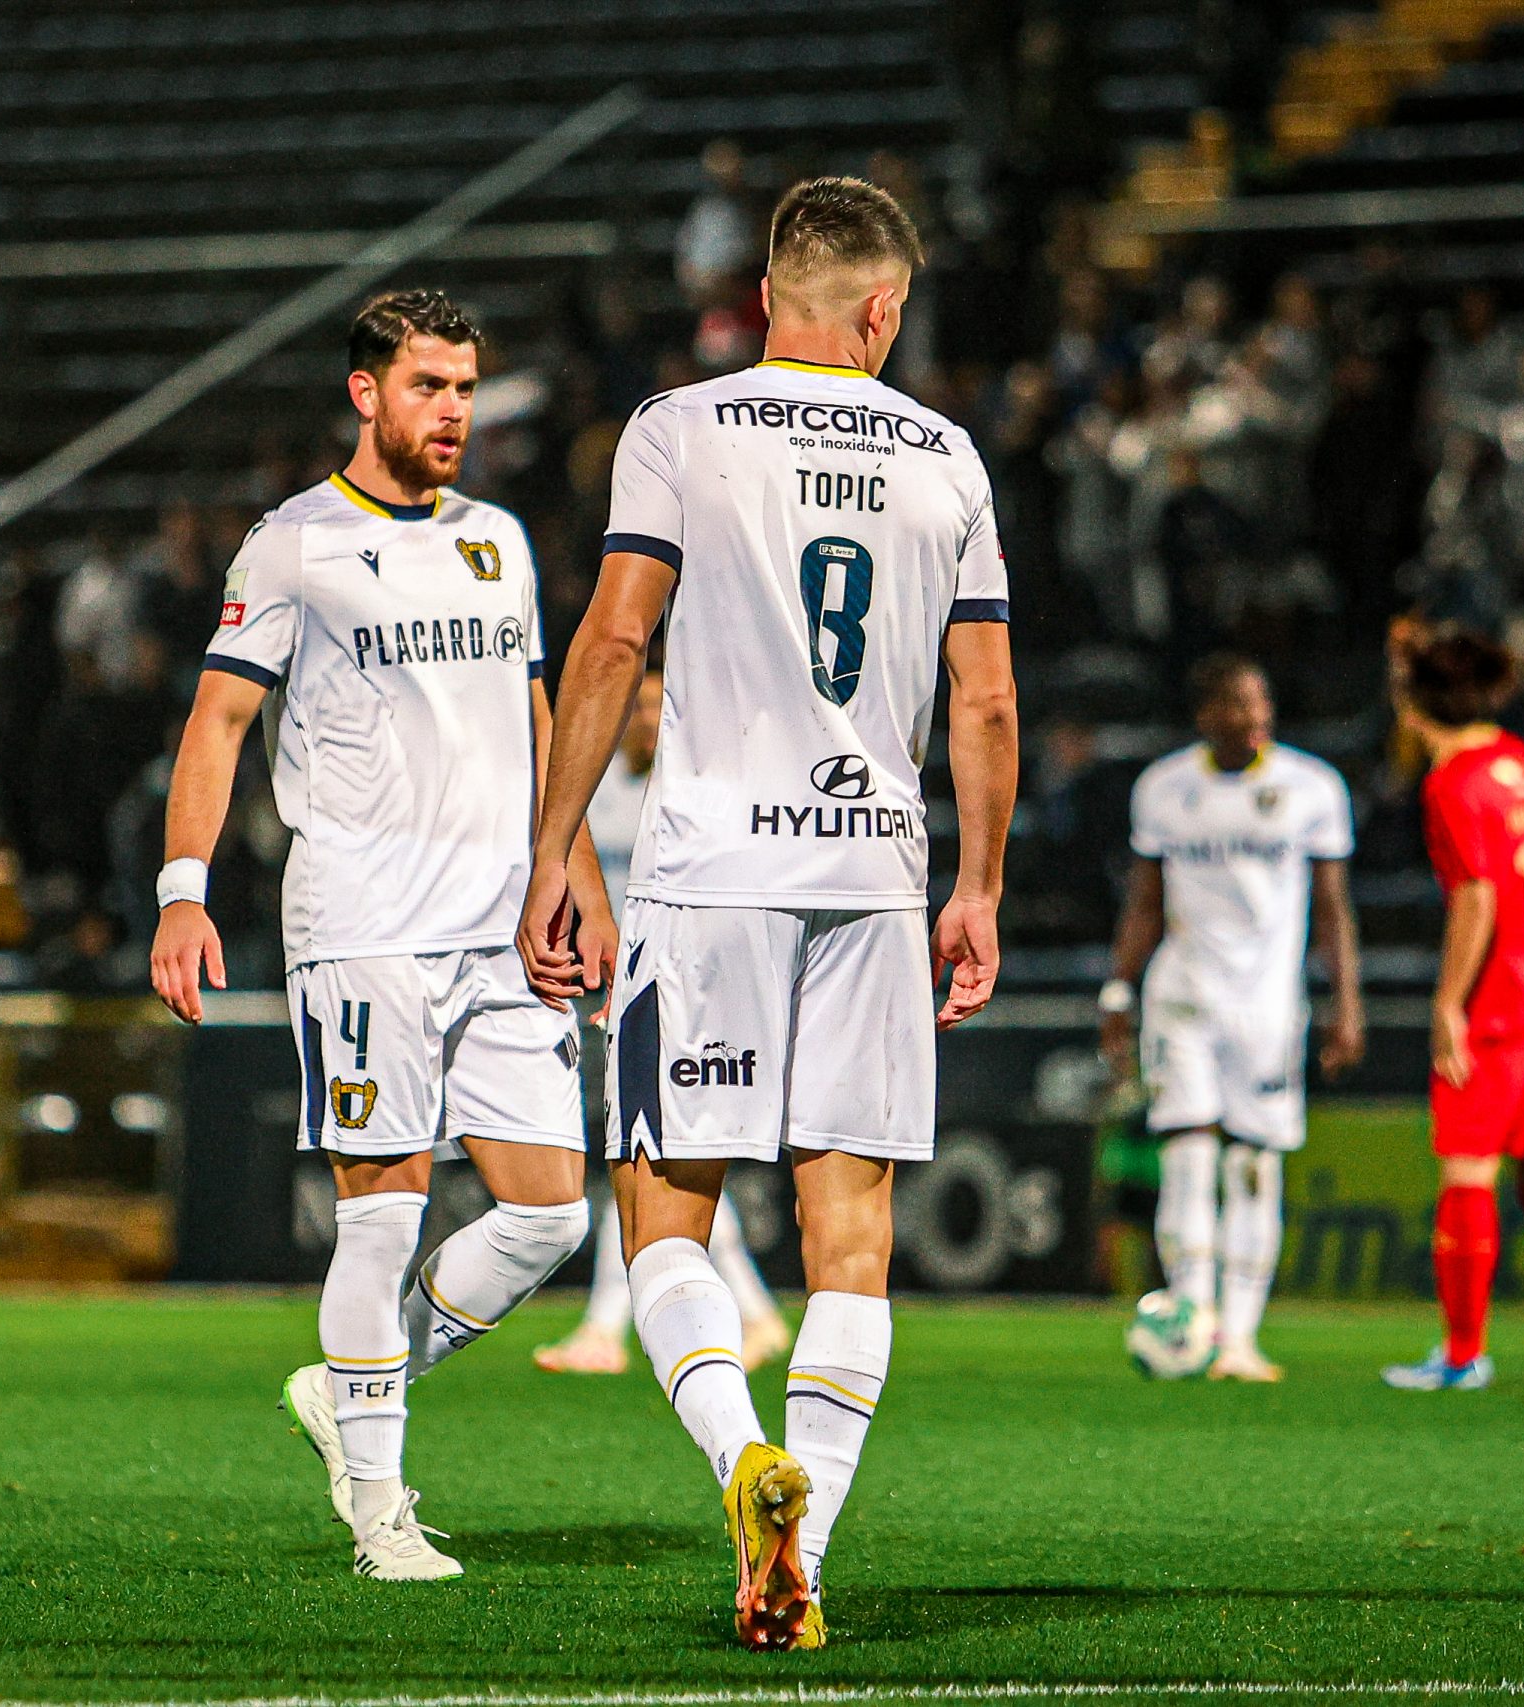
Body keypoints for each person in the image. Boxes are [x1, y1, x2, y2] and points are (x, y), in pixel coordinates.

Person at [519, 177, 1018, 1650]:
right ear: (880, 309)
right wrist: (977, 882)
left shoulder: (679, 427)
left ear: (767, 294)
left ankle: (745, 1462)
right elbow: (985, 694)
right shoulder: (947, 457)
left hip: (710, 868)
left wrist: (555, 845)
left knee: (666, 1213)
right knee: (846, 1235)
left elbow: (615, 633)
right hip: (872, 873)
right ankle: (805, 1559)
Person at [150, 291, 615, 1583]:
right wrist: (183, 887)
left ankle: (357, 1383)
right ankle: (378, 1510)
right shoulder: (295, 544)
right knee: (382, 1216)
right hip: (364, 924)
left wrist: (574, 869)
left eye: (466, 385)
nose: (453, 409)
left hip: (496, 925)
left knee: (549, 1213)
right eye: (428, 385)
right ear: (366, 393)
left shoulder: (500, 542)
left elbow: (533, 721)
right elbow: (217, 724)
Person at [1098, 655, 1364, 1383]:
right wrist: (1118, 992)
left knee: (1254, 1166)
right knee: (1187, 1157)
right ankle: (1193, 1323)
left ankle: (1240, 1341)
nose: (1254, 717)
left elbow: (1334, 907)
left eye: (1261, 703)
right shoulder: (1164, 789)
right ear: (1206, 715)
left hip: (1268, 1006)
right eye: (1239, 705)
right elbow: (1144, 901)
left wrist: (1347, 1003)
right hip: (1183, 994)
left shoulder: (1312, 788)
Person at [531, 670, 790, 1378]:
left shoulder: (698, 786)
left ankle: (603, 1327)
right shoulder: (597, 785)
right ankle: (758, 1312)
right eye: (636, 704)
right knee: (665, 1149)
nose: (646, 717)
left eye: (657, 703)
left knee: (643, 1145)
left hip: (677, 982)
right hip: (609, 980)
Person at [1383, 625, 1524, 1392]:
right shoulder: (1521, 760)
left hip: (1503, 1002)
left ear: (1415, 708)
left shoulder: (1452, 781)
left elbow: (1475, 896)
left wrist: (1449, 1001)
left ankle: (1462, 1354)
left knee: (1469, 1173)